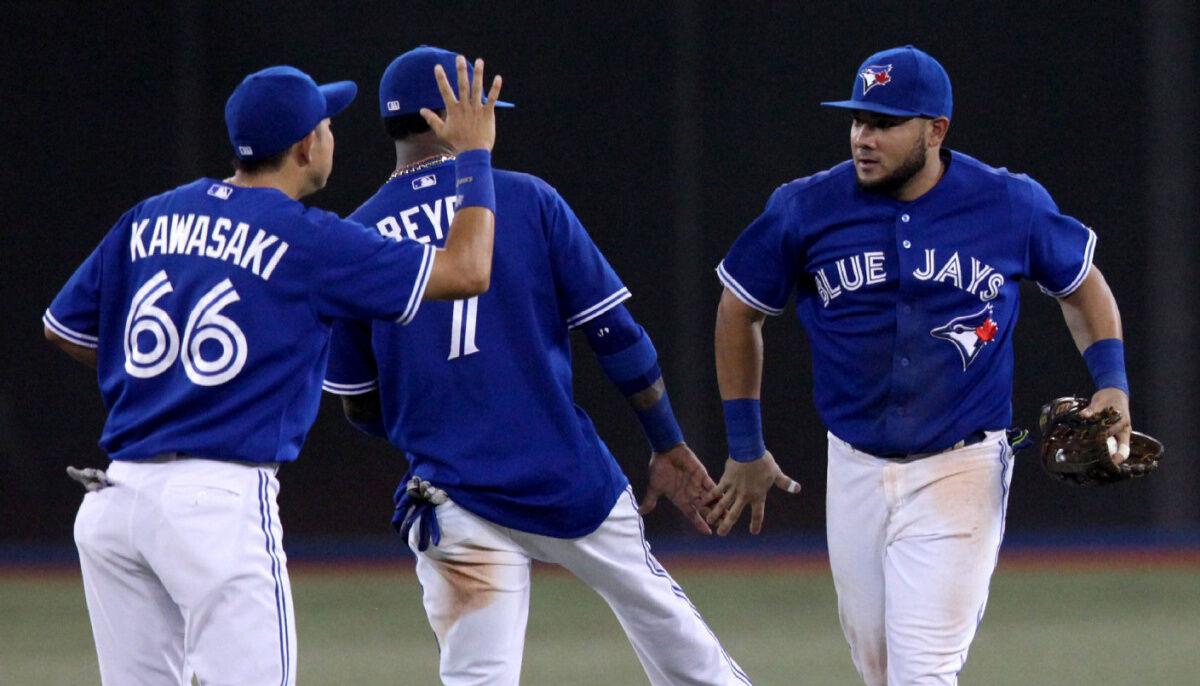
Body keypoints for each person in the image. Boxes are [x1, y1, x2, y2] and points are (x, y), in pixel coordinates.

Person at [42, 57, 501, 685]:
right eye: (328, 124)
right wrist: (474, 156)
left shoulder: (152, 215)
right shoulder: (311, 239)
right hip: (215, 505)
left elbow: (63, 327)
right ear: (308, 145)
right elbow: (469, 270)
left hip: (115, 503)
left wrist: (171, 378)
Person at [322, 45, 750, 686]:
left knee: (478, 677)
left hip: (452, 490)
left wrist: (439, 426)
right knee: (676, 639)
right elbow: (617, 337)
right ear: (451, 117)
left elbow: (359, 402)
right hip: (563, 473)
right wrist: (665, 441)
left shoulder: (356, 238)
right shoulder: (527, 200)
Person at [708, 45, 1134, 685]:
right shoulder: (807, 207)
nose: (862, 138)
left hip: (961, 467)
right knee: (879, 671)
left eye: (883, 123)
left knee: (922, 674)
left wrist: (1113, 384)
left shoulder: (1006, 203)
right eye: (857, 120)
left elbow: (1082, 285)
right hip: (852, 467)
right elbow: (738, 310)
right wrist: (745, 446)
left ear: (935, 131)